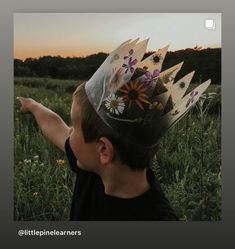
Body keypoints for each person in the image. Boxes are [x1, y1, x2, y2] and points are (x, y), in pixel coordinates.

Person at [17, 38, 210, 220]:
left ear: (104, 149)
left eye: (74, 126)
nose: (69, 132)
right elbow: (54, 126)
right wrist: (33, 105)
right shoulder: (96, 167)